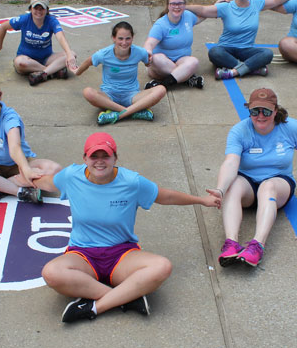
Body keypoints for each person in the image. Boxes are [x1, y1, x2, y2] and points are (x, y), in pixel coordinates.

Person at [39, 132, 221, 323]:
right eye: (94, 156)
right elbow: (48, 183)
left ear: (115, 158)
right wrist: (27, 176)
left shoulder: (131, 182)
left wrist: (202, 200)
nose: (100, 162)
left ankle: (95, 307)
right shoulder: (71, 176)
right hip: (82, 255)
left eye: (105, 156)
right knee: (51, 273)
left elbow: (165, 196)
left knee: (162, 267)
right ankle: (126, 298)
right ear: (85, 158)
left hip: (121, 254)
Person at [212, 88, 297, 267]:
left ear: (275, 111)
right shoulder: (239, 131)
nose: (260, 116)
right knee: (232, 185)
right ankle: (231, 243)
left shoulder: (290, 127)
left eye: (266, 111)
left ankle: (257, 245)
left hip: (279, 184)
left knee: (267, 186)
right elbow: (231, 162)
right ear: (249, 111)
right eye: (255, 111)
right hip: (248, 185)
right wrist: (220, 189)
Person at [186, 0, 297, 80]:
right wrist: (182, 6)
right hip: (226, 49)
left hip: (247, 49)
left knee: (267, 54)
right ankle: (252, 68)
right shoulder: (226, 7)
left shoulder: (256, 3)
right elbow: (203, 10)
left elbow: (275, 1)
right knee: (214, 52)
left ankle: (233, 72)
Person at [73, 21, 167, 125]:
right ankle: (132, 112)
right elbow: (88, 62)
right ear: (113, 38)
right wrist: (77, 72)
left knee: (161, 90)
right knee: (87, 92)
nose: (124, 42)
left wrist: (149, 62)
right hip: (109, 96)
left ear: (132, 38)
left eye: (128, 38)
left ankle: (117, 114)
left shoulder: (140, 52)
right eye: (120, 38)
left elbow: (147, 62)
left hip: (132, 95)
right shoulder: (103, 54)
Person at [0, 0, 76, 86]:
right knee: (20, 63)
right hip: (26, 59)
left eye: (42, 8)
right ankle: (52, 71)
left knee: (72, 54)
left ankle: (43, 73)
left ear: (47, 10)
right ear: (30, 9)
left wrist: (69, 54)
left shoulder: (52, 21)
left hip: (47, 58)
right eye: (36, 8)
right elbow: (3, 26)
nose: (38, 11)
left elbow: (60, 36)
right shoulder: (24, 19)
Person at [142, 0, 205, 90]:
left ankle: (162, 85)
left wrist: (217, 7)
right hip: (161, 66)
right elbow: (149, 42)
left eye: (180, 3)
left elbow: (202, 15)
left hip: (181, 60)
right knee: (156, 58)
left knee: (194, 62)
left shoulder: (188, 16)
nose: (177, 7)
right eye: (173, 4)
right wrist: (148, 51)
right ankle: (186, 77)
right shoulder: (161, 25)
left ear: (185, 5)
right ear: (168, 5)